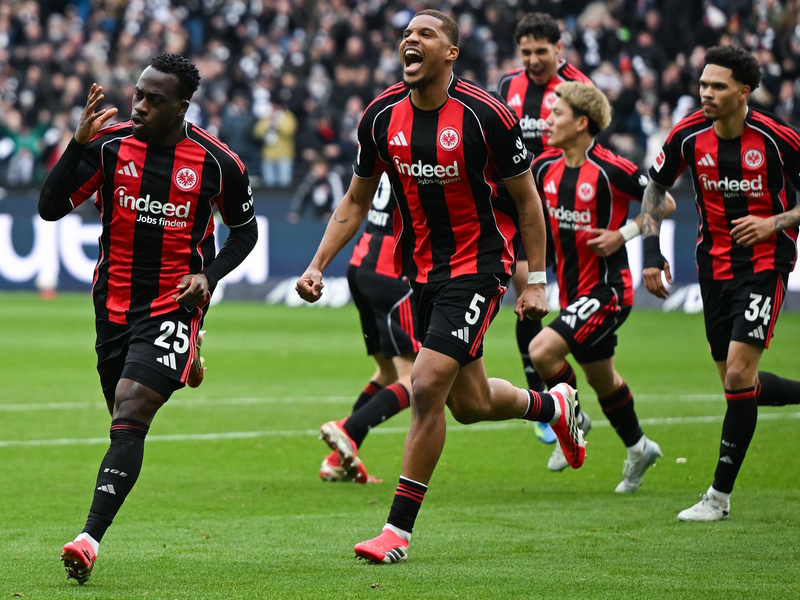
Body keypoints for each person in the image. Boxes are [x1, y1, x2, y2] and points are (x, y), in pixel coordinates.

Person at [296, 10, 586, 565]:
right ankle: (552, 405)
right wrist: (317, 265)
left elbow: (528, 203)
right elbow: (356, 200)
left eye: (426, 33)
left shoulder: (485, 116)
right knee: (470, 404)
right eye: (407, 33)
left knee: (426, 384)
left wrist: (538, 280)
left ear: (450, 53)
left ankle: (396, 532)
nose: (412, 39)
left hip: (479, 265)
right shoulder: (380, 117)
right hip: (421, 272)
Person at [38, 53, 258, 583]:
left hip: (174, 301)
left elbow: (244, 232)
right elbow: (50, 208)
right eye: (137, 94)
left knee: (134, 407)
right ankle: (190, 352)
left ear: (182, 106)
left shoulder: (217, 162)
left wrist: (211, 274)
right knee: (118, 408)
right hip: (112, 303)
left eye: (153, 100)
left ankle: (88, 539)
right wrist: (76, 144)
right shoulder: (110, 148)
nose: (137, 107)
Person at [641, 45, 800, 521]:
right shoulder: (689, 134)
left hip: (765, 263)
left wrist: (774, 223)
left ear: (744, 91)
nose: (705, 93)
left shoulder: (776, 139)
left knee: (736, 375)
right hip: (713, 267)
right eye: (703, 84)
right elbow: (656, 187)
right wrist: (651, 254)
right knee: (738, 385)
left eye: (717, 86)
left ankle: (718, 497)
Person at [528, 82, 676, 490]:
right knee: (602, 379)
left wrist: (623, 234)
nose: (548, 120)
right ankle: (639, 448)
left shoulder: (612, 168)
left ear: (581, 122)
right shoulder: (544, 168)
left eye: (557, 114)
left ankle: (570, 420)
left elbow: (665, 200)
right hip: (573, 293)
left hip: (609, 291)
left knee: (541, 351)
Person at [497, 13, 594, 446]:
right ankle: (546, 400)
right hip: (520, 211)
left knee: (574, 312)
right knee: (528, 298)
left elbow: (594, 149)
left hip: (565, 209)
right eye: (527, 52)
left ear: (560, 49)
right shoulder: (507, 87)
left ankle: (568, 398)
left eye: (542, 51)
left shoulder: (579, 90)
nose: (534, 60)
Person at [318, 174, 419, 485]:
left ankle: (337, 459)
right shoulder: (425, 143)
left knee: (388, 372)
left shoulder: (387, 137)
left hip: (363, 262)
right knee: (417, 380)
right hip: (393, 269)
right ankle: (348, 428)